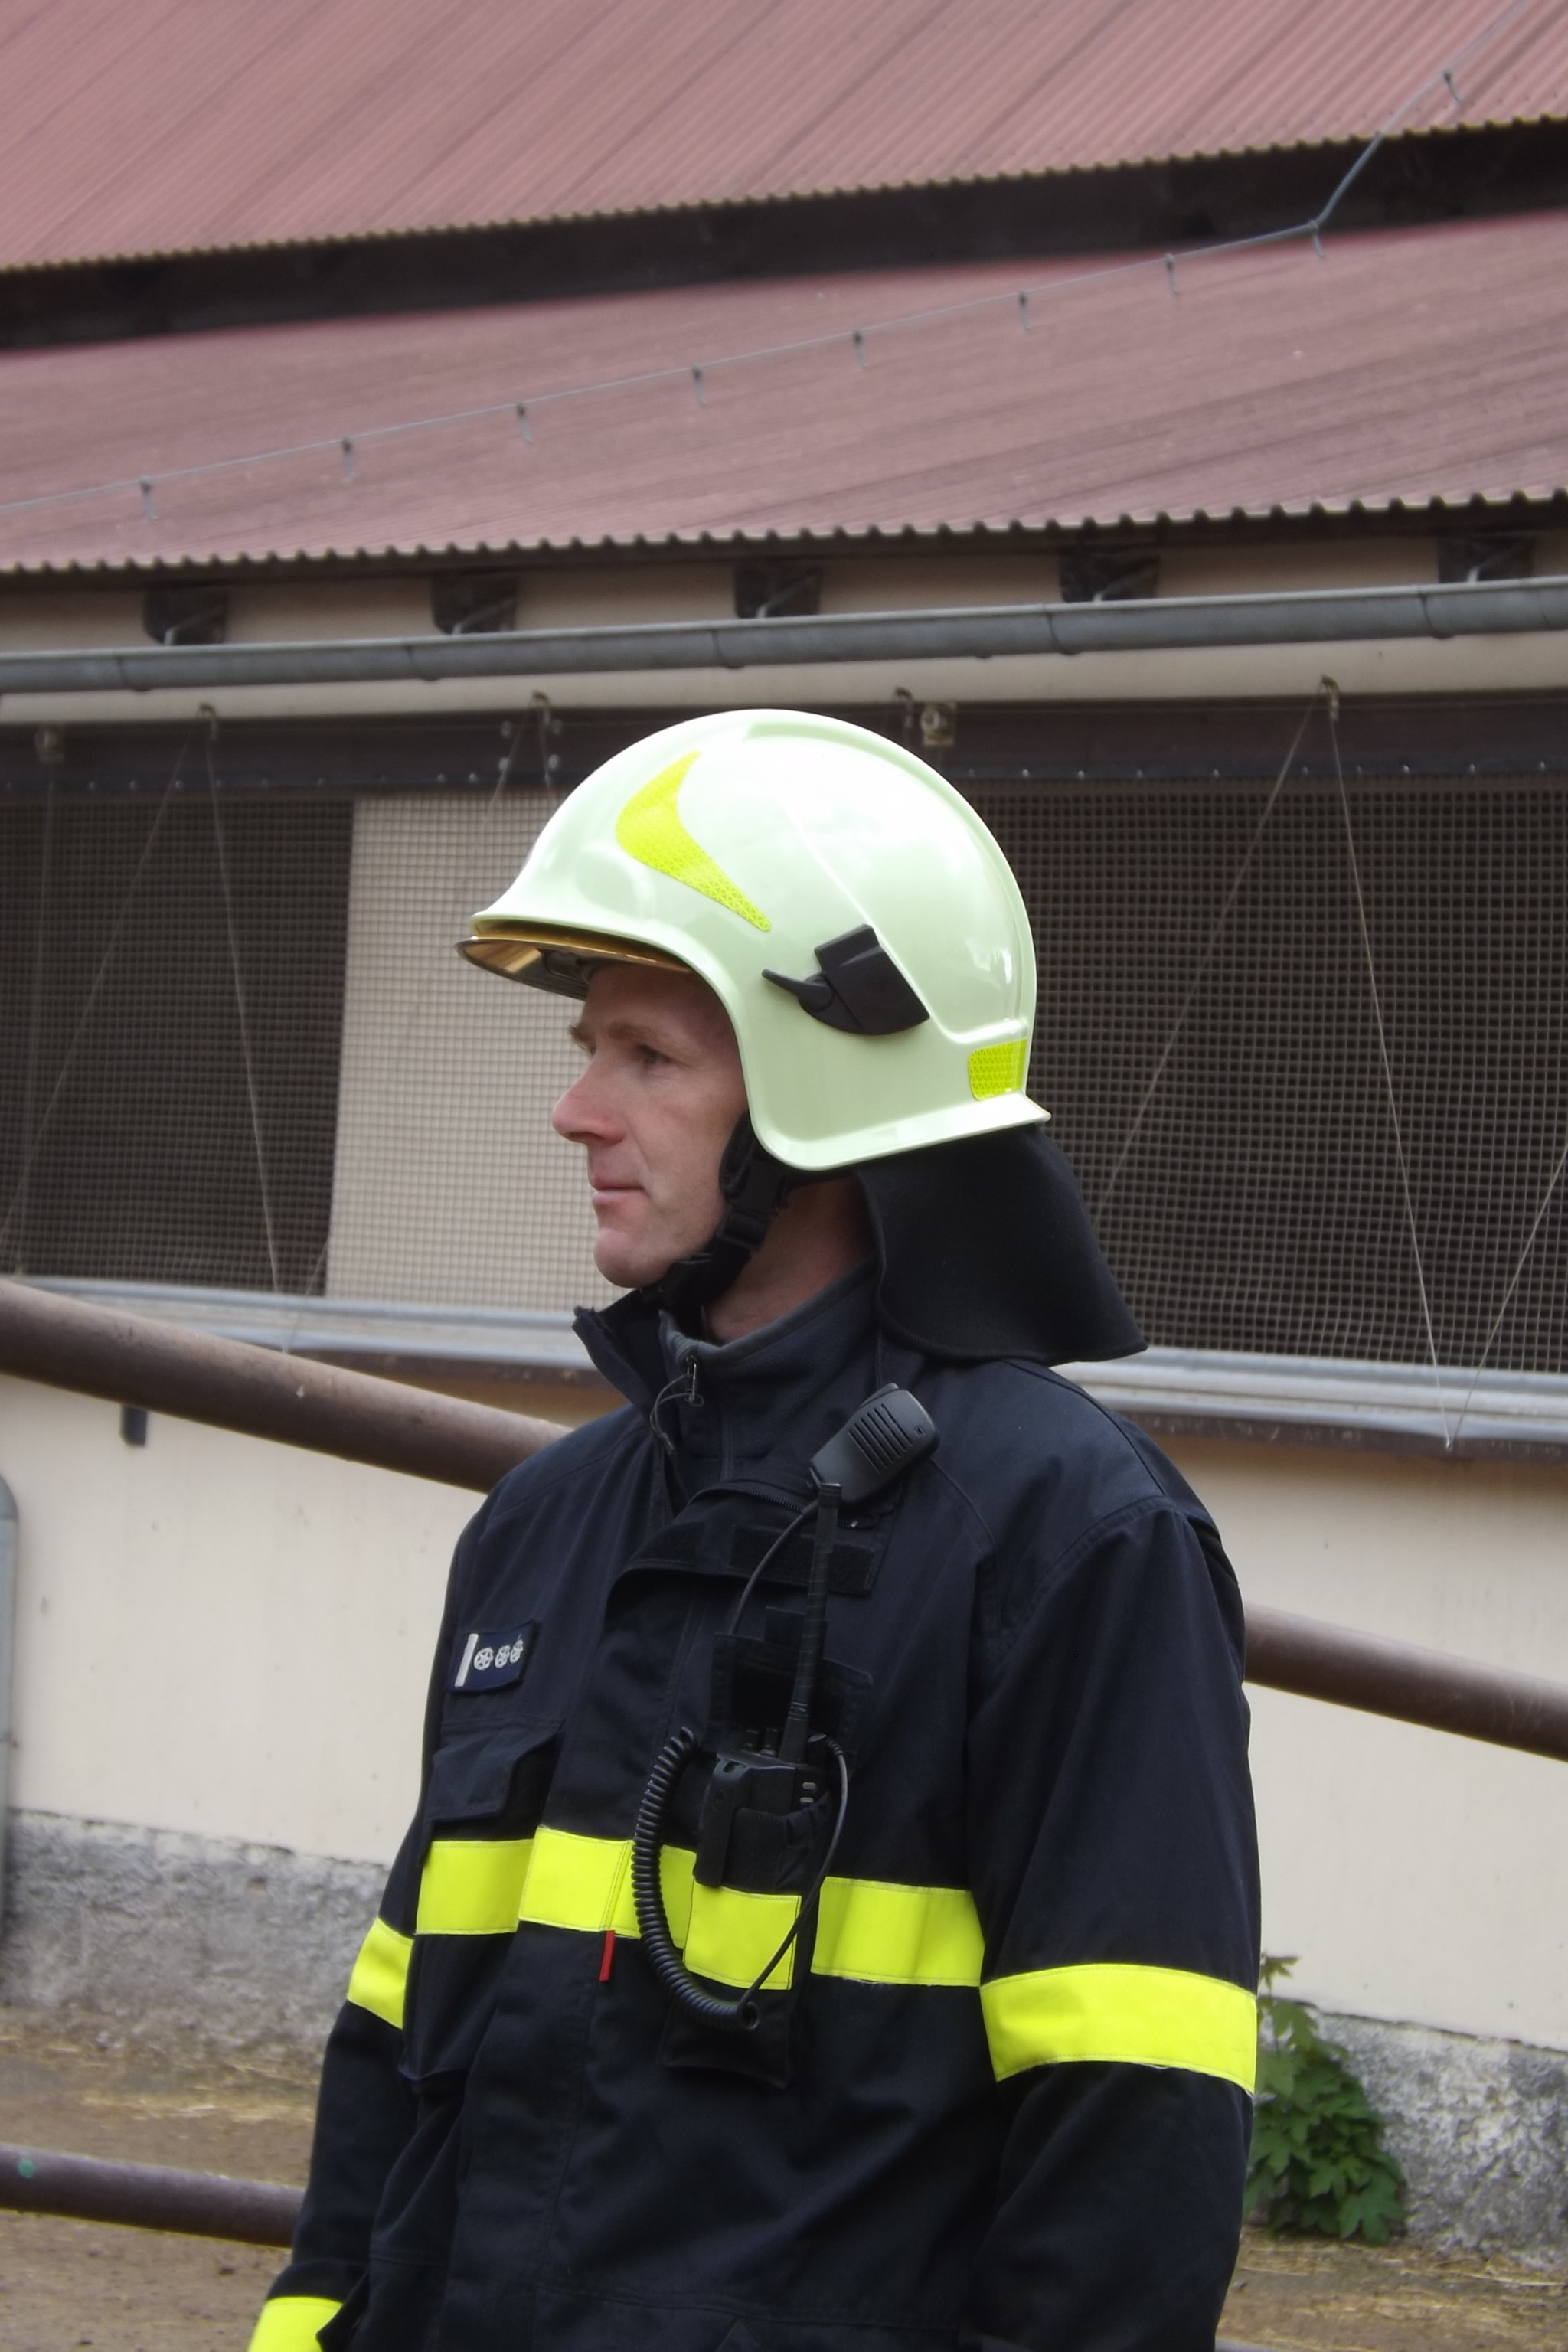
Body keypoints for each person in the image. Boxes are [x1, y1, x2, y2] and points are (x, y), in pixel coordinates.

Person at [250, 710, 1259, 2352]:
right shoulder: (545, 1523)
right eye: (587, 1047)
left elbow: (1132, 2144)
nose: (576, 1110)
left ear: (828, 1092)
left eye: (647, 1057)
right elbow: (394, 2048)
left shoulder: (1070, 1537)